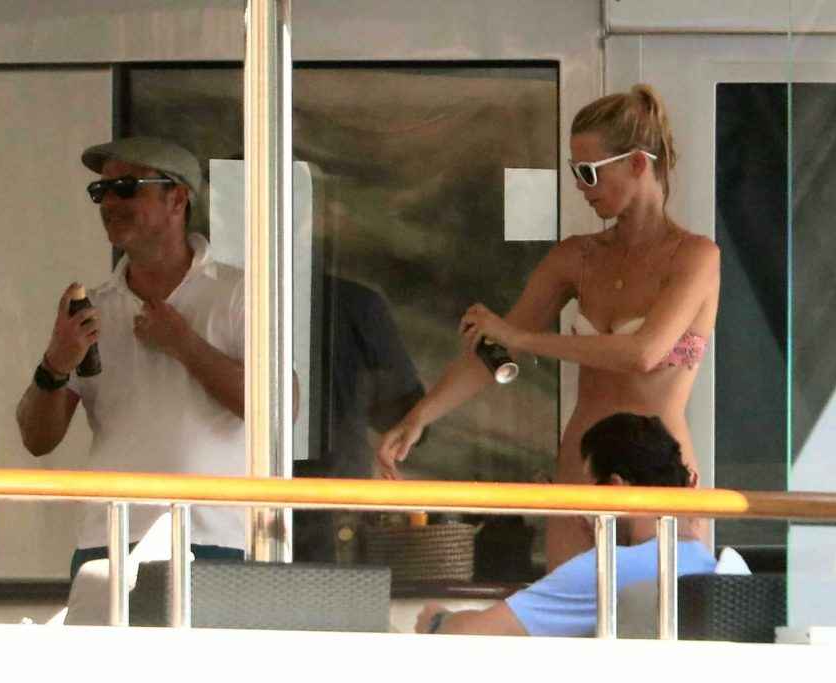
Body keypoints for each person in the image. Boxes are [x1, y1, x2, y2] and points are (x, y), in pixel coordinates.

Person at [378, 84, 719, 571]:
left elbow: (643, 353)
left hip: (659, 474)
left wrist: (520, 339)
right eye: (575, 172)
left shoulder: (696, 256)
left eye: (589, 172)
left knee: (660, 610)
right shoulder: (577, 256)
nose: (580, 186)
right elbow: (496, 348)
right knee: (568, 613)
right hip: (583, 468)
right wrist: (420, 417)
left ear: (637, 164)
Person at [15, 137, 247, 578]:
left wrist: (184, 344)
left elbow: (278, 412)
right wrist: (55, 364)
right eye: (101, 191)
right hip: (107, 540)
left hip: (213, 537)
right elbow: (37, 439)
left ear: (177, 198)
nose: (109, 203)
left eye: (125, 188)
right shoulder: (93, 307)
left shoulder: (239, 292)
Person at [414, 413, 716, 637]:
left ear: (614, 488)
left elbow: (475, 636)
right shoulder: (708, 566)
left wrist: (438, 620)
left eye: (588, 491)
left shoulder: (607, 569)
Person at [294, 274, 426, 562]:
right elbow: (402, 411)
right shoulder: (355, 303)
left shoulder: (242, 297)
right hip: (338, 497)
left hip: (238, 494)